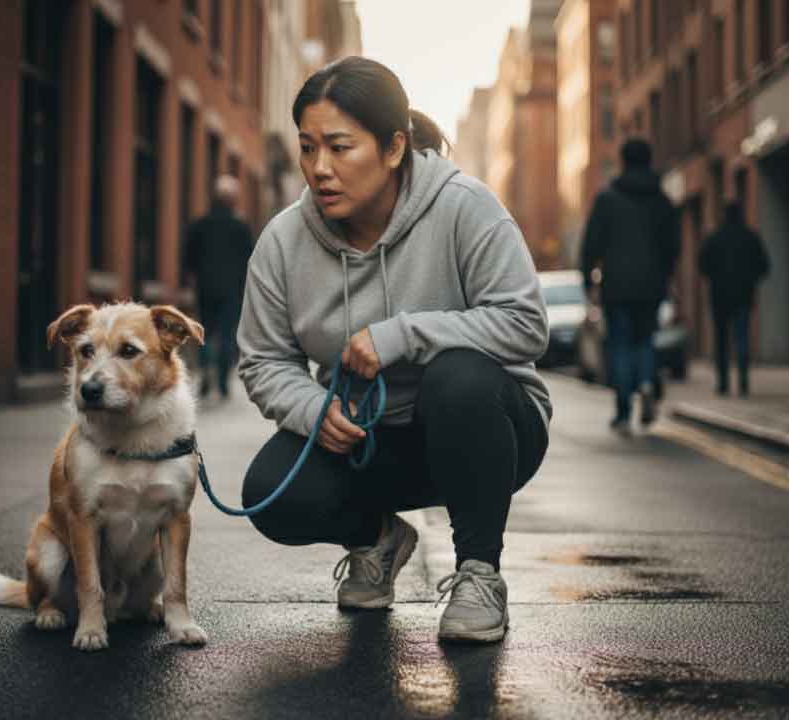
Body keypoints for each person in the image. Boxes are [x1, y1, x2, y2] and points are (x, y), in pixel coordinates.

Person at [235, 57, 552, 644]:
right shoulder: (282, 242)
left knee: (456, 376)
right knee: (269, 494)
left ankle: (480, 573)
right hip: (369, 438)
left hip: (486, 429)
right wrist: (312, 410)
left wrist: (401, 335)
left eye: (339, 147)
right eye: (307, 148)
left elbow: (526, 324)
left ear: (393, 148)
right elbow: (262, 358)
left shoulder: (465, 207)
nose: (318, 169)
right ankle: (378, 538)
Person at [579, 138, 679, 435]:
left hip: (617, 286)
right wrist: (666, 274)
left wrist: (588, 280)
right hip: (651, 285)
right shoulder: (661, 200)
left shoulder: (607, 199)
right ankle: (647, 384)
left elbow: (591, 244)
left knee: (620, 345)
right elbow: (672, 245)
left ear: (623, 160)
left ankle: (623, 411)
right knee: (645, 340)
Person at [182, 175, 254, 399]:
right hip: (232, 290)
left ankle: (205, 374)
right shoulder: (240, 227)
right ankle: (222, 383)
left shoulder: (199, 224)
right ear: (233, 200)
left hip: (205, 287)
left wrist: (192, 279)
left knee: (204, 332)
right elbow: (250, 259)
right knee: (226, 335)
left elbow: (188, 258)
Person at [699, 202, 769, 396]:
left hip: (719, 296)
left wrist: (716, 276)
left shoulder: (714, 238)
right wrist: (749, 279)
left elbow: (702, 265)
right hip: (743, 296)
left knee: (721, 341)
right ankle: (744, 382)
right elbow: (764, 266)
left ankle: (723, 383)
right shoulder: (750, 237)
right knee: (742, 338)